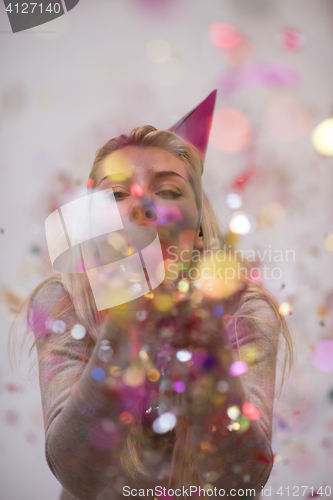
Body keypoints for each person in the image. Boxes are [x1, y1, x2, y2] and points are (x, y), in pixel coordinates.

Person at [22, 92, 292, 500]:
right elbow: (79, 475)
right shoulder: (62, 304)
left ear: (199, 225)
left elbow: (242, 479)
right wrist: (126, 323)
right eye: (115, 194)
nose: (142, 204)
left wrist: (204, 342)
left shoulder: (246, 312)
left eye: (167, 191)